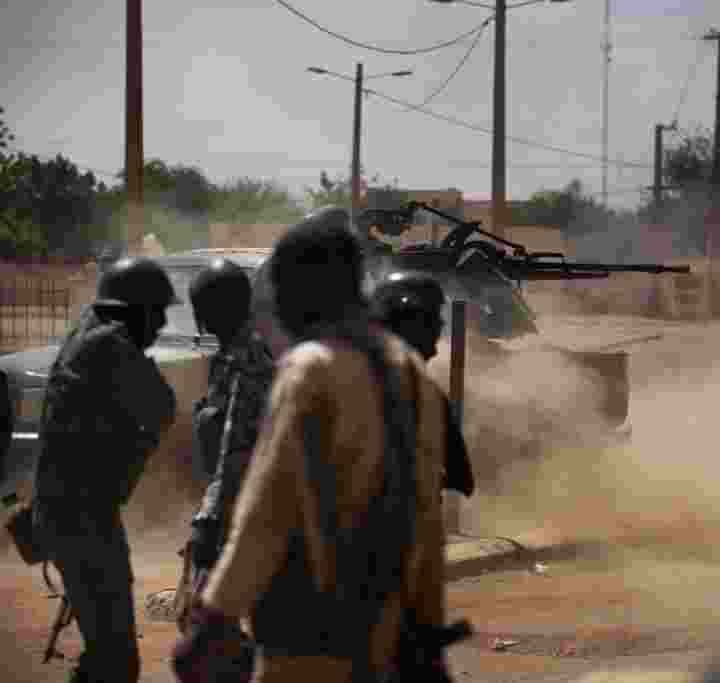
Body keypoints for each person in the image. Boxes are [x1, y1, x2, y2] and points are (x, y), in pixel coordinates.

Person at [172, 212, 463, 683]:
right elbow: (425, 519)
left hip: (305, 633)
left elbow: (268, 509)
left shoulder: (310, 370)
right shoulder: (408, 372)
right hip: (385, 633)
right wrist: (427, 634)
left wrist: (215, 615)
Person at [32, 257, 179, 683]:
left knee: (105, 654)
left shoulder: (88, 331)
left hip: (70, 513)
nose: (160, 325)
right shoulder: (110, 345)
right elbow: (161, 405)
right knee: (115, 660)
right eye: (157, 312)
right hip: (81, 520)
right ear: (132, 309)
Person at [174, 260, 275, 664]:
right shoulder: (241, 351)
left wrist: (207, 521)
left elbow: (234, 445)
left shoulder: (245, 358)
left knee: (204, 624)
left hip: (246, 511)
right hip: (246, 508)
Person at [370, 273, 473, 499]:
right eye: (431, 321)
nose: (438, 328)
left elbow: (462, 479)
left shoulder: (345, 378)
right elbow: (462, 479)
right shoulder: (426, 394)